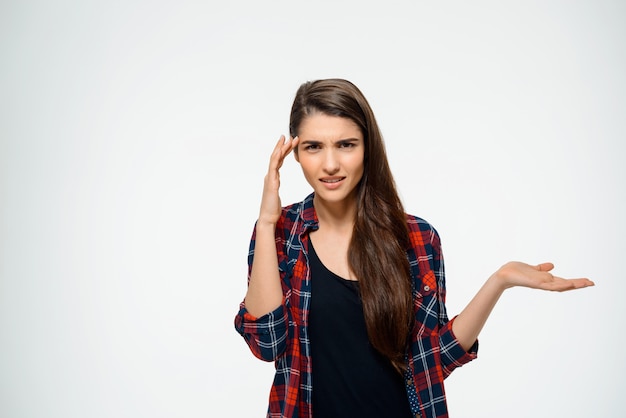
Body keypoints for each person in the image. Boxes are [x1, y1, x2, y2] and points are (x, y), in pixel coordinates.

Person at [234, 78, 594, 418]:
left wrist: (499, 281)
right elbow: (267, 344)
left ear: (367, 147)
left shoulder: (416, 238)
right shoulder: (280, 234)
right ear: (295, 153)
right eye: (314, 147)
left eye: (346, 144)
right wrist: (267, 222)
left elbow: (433, 359)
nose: (330, 164)